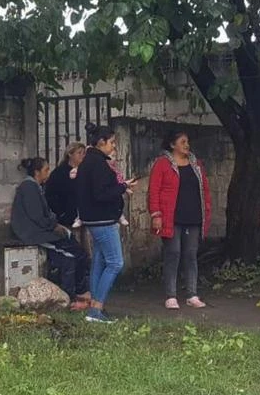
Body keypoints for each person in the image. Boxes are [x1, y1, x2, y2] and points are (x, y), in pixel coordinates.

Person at [10, 157, 90, 310]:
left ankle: (79, 290)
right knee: (69, 258)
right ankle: (70, 299)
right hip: (33, 233)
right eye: (46, 170)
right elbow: (37, 216)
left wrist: (55, 225)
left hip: (42, 229)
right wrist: (53, 226)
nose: (48, 173)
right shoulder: (28, 187)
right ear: (37, 172)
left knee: (77, 250)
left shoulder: (36, 187)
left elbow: (45, 213)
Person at [76, 123, 137, 323]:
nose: (113, 147)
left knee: (100, 262)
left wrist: (120, 185)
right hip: (102, 219)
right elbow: (102, 193)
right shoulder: (98, 163)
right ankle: (96, 309)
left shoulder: (89, 161)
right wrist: (121, 187)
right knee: (115, 262)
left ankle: (95, 306)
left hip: (94, 219)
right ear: (101, 142)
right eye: (111, 142)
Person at [148, 129, 212, 310]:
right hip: (171, 217)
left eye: (187, 141)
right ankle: (171, 295)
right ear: (172, 144)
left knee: (191, 255)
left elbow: (205, 190)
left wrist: (206, 212)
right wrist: (156, 214)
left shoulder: (196, 164)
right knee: (173, 253)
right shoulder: (162, 164)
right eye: (183, 142)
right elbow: (154, 190)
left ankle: (192, 294)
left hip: (193, 217)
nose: (187, 145)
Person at [42, 142, 91, 311]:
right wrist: (61, 214)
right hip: (66, 220)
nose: (81, 157)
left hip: (82, 218)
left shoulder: (83, 172)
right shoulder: (60, 174)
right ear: (70, 154)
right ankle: (78, 289)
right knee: (75, 253)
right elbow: (51, 197)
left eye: (83, 154)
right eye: (79, 153)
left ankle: (83, 287)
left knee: (85, 254)